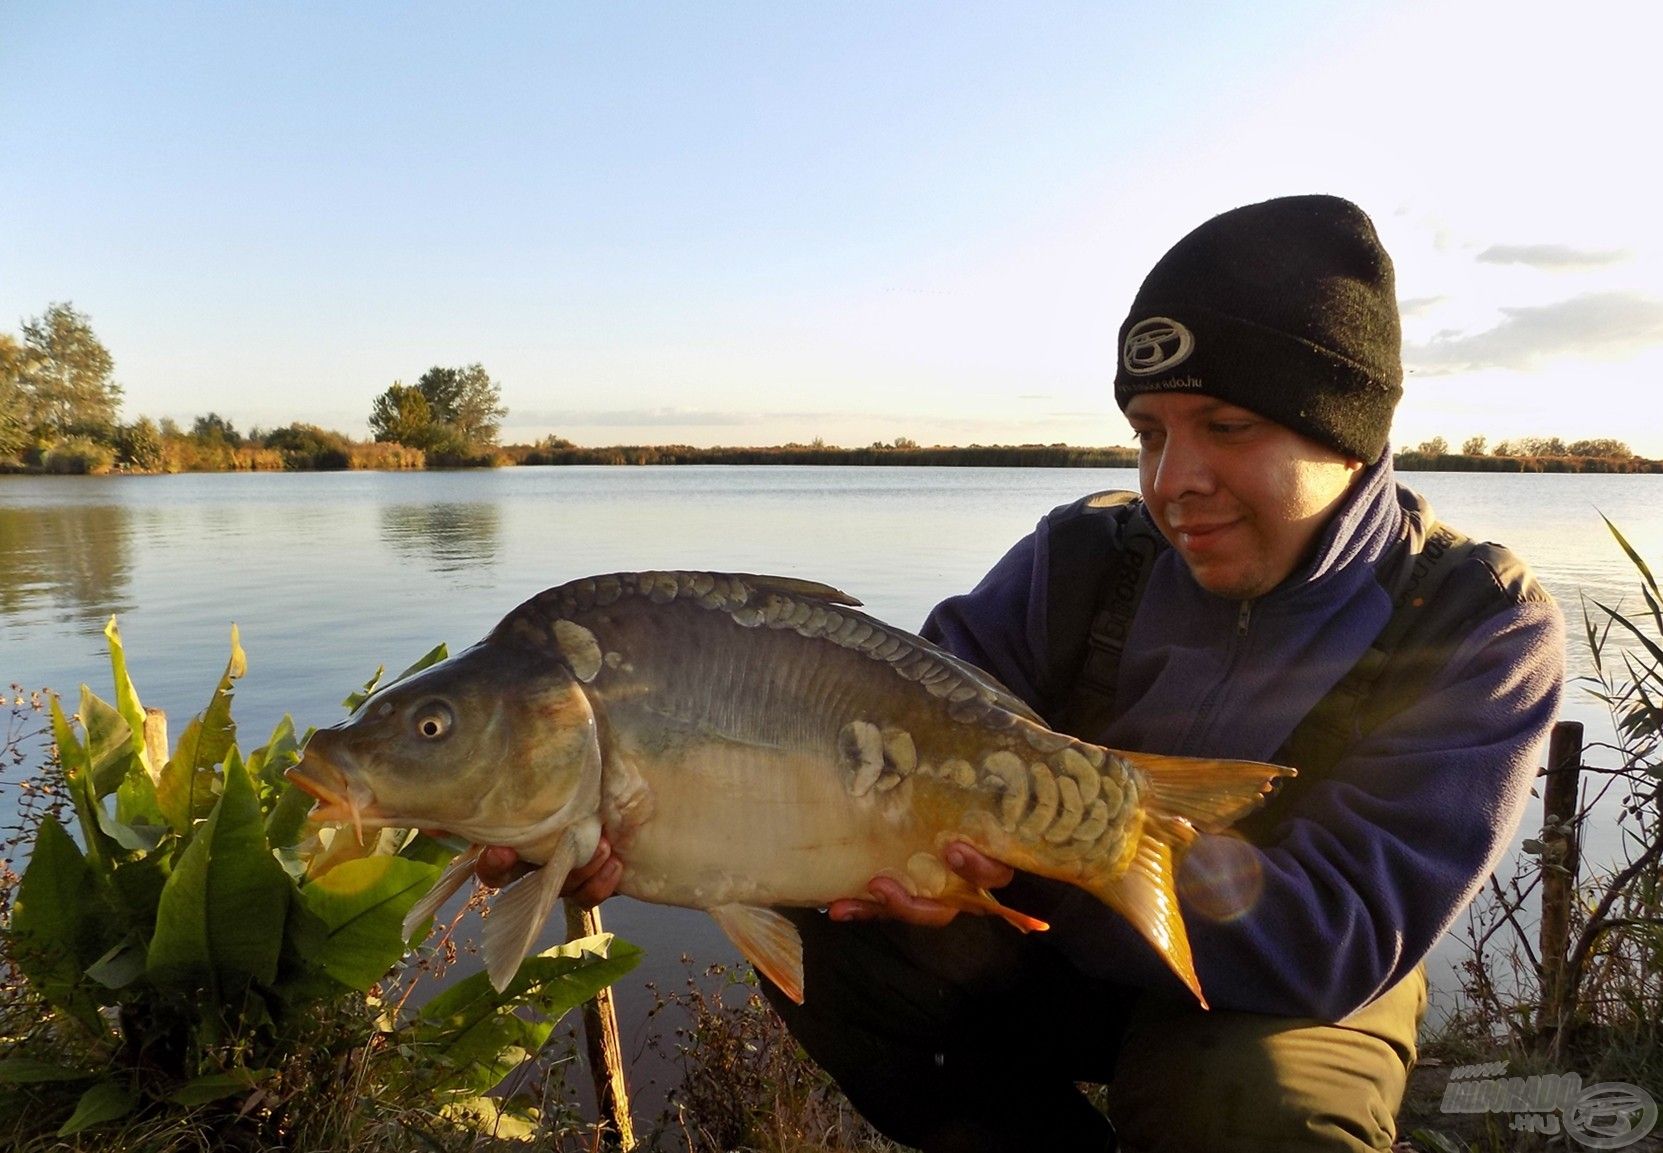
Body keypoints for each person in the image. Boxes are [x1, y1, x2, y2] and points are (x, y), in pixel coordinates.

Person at [481, 194, 1566, 1152]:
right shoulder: (1084, 554)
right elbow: (871, 722)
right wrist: (668, 820)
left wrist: (1031, 852)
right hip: (1050, 948)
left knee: (1251, 1104)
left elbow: (1334, 937)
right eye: (1147, 433)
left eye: (1225, 427)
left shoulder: (1475, 618)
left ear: (1349, 435)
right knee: (821, 929)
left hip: (1288, 993)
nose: (1172, 481)